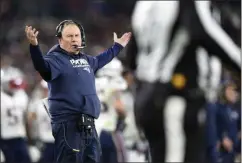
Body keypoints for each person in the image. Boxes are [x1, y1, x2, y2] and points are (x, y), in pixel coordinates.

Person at [124, 1, 241, 163]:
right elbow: (205, 32)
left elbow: (131, 57)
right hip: (173, 100)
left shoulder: (144, 4)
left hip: (147, 97)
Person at [25, 19, 131, 163]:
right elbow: (42, 67)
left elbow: (102, 59)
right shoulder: (56, 59)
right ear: (60, 39)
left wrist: (118, 46)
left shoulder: (85, 59)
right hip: (68, 124)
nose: (74, 39)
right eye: (69, 36)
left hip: (89, 124)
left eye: (76, 35)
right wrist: (34, 46)